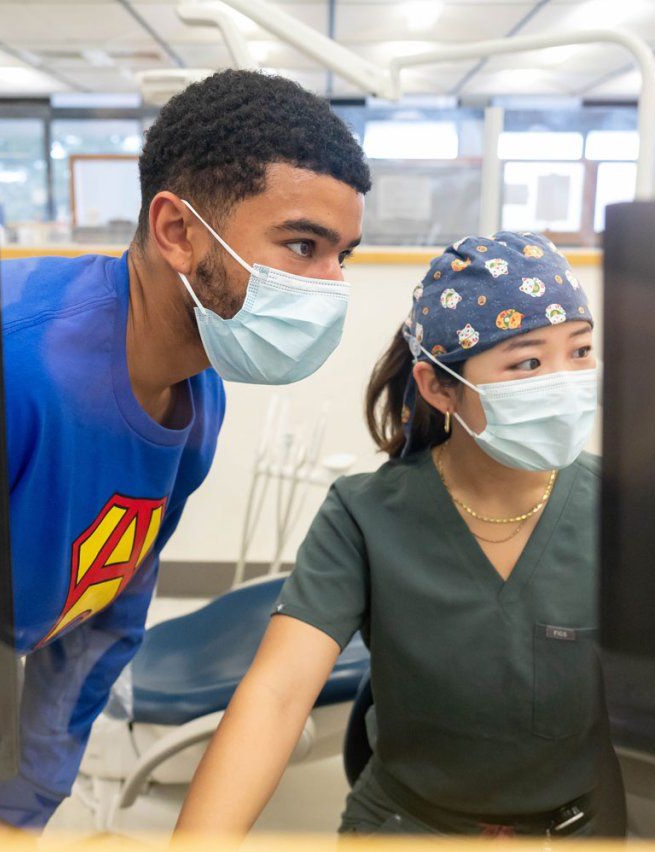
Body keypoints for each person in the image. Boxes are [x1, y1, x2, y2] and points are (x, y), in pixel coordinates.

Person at [0, 68, 372, 829]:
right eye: (304, 246)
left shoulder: (199, 392)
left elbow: (109, 604)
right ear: (177, 231)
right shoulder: (22, 367)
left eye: (341, 253)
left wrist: (29, 794)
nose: (332, 283)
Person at [175, 232, 626, 838]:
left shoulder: (622, 512)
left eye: (581, 351)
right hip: (407, 824)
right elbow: (278, 695)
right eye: (527, 362)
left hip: (583, 829)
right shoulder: (366, 515)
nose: (565, 381)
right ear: (440, 387)